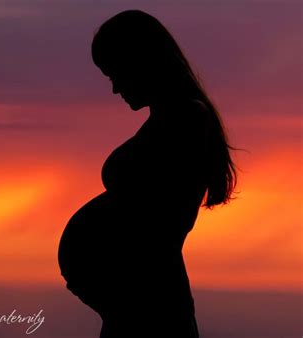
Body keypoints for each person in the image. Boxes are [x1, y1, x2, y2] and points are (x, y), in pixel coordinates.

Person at [58, 9, 239, 338]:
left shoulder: (186, 120)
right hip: (133, 304)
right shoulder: (169, 120)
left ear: (142, 62)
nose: (115, 89)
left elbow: (160, 223)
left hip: (150, 307)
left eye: (116, 73)